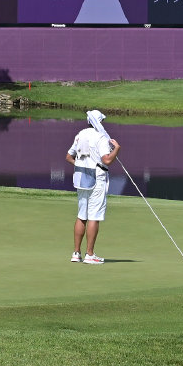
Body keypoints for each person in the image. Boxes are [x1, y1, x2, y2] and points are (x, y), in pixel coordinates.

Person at [66, 111, 119, 264]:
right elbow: (107, 160)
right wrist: (116, 149)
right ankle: (90, 254)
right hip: (97, 179)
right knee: (94, 217)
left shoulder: (80, 134)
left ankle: (76, 253)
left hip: (81, 178)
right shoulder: (101, 137)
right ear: (99, 122)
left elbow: (69, 156)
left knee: (82, 215)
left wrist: (82, 166)